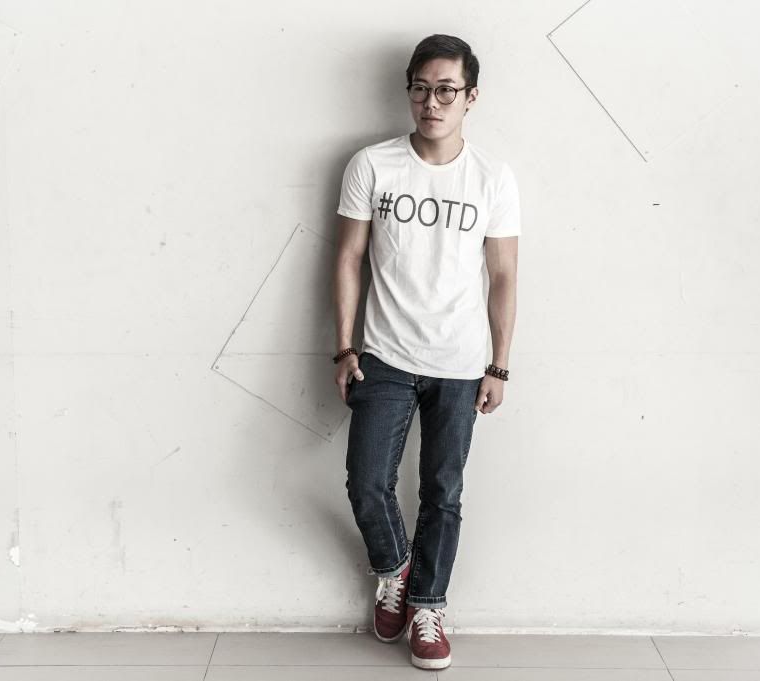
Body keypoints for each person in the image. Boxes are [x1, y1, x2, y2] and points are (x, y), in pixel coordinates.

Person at [331, 34, 521, 670]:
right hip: (384, 356)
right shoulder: (372, 165)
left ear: (471, 97)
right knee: (366, 483)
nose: (431, 102)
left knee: (443, 492)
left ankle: (428, 608)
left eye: (445, 90)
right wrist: (343, 347)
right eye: (420, 88)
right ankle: (396, 569)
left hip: (461, 364)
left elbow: (503, 276)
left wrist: (498, 364)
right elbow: (349, 258)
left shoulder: (493, 177)